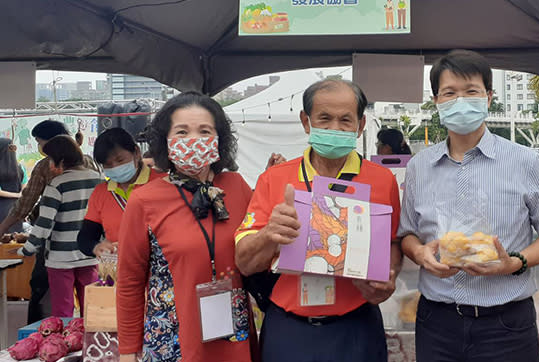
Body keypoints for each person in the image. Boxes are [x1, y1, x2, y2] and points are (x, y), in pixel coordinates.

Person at [398, 50, 539, 362]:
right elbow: (406, 233)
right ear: (436, 101)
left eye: (471, 91)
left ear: (488, 97)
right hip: (437, 321)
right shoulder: (419, 166)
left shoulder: (525, 161)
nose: (460, 100)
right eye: (449, 93)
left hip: (506, 323)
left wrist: (516, 262)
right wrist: (419, 253)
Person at [235, 79, 402, 362]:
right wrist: (268, 235)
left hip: (356, 326)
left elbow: (393, 242)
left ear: (360, 125)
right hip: (289, 328)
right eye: (324, 119)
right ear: (306, 121)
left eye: (345, 120)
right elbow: (244, 262)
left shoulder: (382, 180)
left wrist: (389, 276)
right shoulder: (274, 179)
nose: (334, 129)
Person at [116, 92, 257, 362]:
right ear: (165, 141)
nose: (194, 139)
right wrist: (127, 351)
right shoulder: (145, 200)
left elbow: (258, 251)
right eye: (182, 132)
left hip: (231, 329)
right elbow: (130, 282)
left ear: (219, 140)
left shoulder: (237, 188)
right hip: (171, 336)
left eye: (205, 131)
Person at [0, 120, 98, 323]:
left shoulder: (54, 179)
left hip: (59, 256)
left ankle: (54, 342)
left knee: (60, 307)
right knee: (92, 305)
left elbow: (42, 221)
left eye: (39, 141)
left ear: (56, 157)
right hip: (89, 252)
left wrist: (26, 249)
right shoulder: (94, 172)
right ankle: (90, 347)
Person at [77, 128, 165, 258]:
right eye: (107, 164)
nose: (114, 167)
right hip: (121, 271)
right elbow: (86, 237)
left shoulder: (163, 184)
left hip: (161, 271)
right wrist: (96, 247)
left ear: (136, 152)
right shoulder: (101, 192)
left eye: (120, 160)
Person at [0, 138, 24, 233]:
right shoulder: (20, 167)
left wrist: (17, 195)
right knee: (15, 239)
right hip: (17, 208)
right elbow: (25, 184)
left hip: (2, 207)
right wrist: (19, 195)